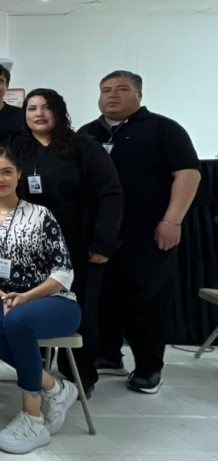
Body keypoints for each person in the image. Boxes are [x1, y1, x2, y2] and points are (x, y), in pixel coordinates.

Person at [78, 71, 201, 394]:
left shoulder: (163, 128)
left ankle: (148, 368)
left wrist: (172, 221)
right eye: (106, 89)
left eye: (122, 89)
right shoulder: (87, 134)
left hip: (149, 232)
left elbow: (188, 174)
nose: (112, 95)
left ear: (139, 95)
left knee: (147, 300)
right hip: (102, 235)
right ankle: (108, 355)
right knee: (102, 297)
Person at [3, 89, 123, 397]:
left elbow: (110, 193)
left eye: (47, 107)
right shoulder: (14, 147)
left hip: (78, 244)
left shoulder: (84, 146)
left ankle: (81, 376)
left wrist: (103, 241)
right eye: (32, 108)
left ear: (59, 111)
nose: (39, 114)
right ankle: (39, 376)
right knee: (34, 309)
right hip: (29, 248)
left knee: (82, 310)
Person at [0, 148, 82, 454]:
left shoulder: (41, 215)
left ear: (18, 175)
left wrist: (26, 297)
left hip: (51, 299)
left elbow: (63, 272)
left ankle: (32, 418)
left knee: (17, 320)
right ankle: (54, 386)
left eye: (6, 171)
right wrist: (1, 294)